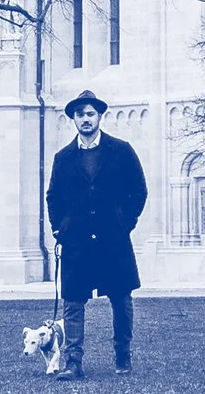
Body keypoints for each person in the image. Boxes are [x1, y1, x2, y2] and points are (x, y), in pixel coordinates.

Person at [44, 91, 147, 377]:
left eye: (90, 114)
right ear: (74, 120)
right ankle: (73, 362)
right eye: (80, 114)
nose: (85, 119)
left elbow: (139, 190)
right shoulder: (63, 158)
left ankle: (122, 356)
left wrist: (124, 221)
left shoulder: (121, 150)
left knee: (121, 297)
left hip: (113, 239)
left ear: (99, 116)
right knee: (73, 301)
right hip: (76, 240)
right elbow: (53, 197)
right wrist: (59, 228)